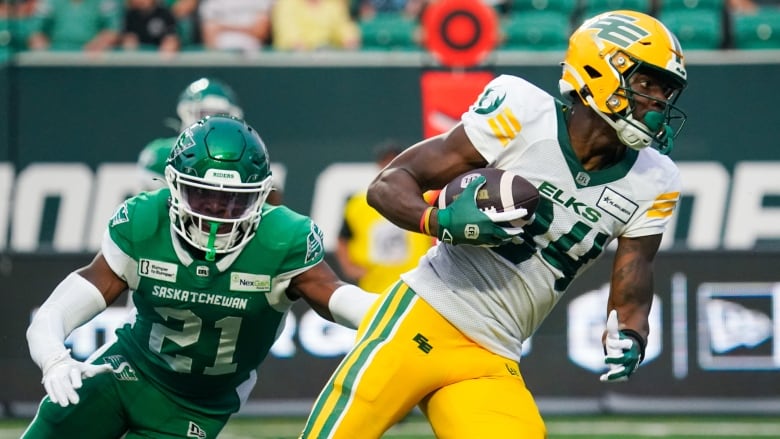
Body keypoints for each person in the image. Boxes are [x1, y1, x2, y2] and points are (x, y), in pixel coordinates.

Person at [301, 9, 687, 438]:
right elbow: (389, 185)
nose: (658, 102)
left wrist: (631, 332)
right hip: (423, 317)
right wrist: (442, 221)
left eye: (666, 91)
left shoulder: (655, 179)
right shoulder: (523, 114)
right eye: (646, 83)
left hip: (494, 355)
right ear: (597, 70)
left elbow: (635, 273)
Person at [22, 115, 378, 439]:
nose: (217, 215)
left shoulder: (283, 238)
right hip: (125, 372)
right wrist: (54, 358)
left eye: (233, 202)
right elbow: (56, 311)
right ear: (174, 185)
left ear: (260, 198)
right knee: (55, 423)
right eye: (203, 196)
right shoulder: (145, 221)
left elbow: (337, 295)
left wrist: (396, 314)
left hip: (196, 407)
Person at [137, 77, 284, 204]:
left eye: (219, 115)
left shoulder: (245, 157)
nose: (212, 122)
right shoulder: (161, 155)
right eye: (205, 114)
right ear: (187, 113)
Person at [335, 140, 434, 293]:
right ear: (379, 164)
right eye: (386, 161)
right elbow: (343, 240)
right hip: (375, 287)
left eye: (395, 159)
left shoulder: (425, 196)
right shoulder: (359, 203)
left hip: (417, 285)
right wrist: (351, 268)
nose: (390, 165)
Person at [27, 0, 122, 52]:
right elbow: (35, 31)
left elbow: (112, 30)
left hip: (91, 56)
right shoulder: (49, 2)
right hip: (56, 54)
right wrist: (39, 45)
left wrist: (100, 43)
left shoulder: (104, 2)